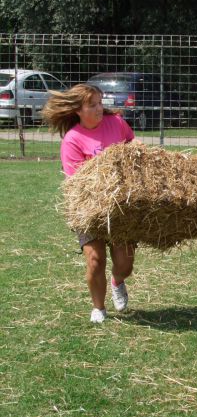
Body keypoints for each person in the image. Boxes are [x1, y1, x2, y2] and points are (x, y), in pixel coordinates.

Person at [43, 84, 136, 324]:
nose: (99, 108)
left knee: (125, 263)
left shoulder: (116, 123)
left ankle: (118, 281)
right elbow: (79, 183)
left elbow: (132, 147)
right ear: (78, 110)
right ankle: (99, 308)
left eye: (100, 102)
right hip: (88, 208)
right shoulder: (72, 140)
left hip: (119, 207)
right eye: (92, 105)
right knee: (95, 261)